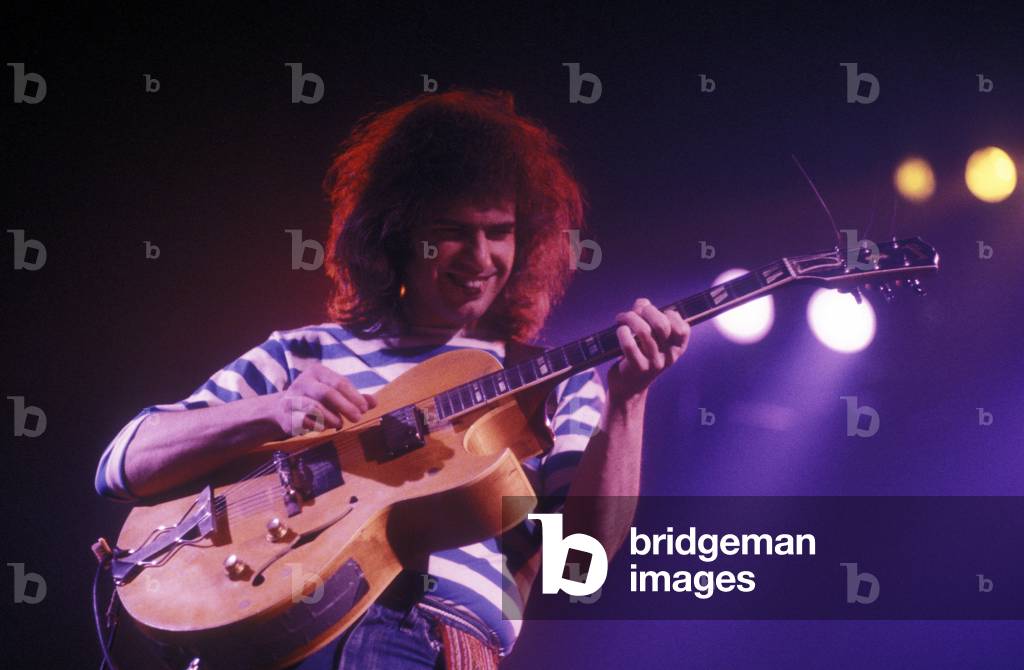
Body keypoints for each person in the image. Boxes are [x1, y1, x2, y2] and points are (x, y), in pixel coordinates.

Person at [95, 89, 690, 669]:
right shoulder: (304, 352)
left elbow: (581, 567)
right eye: (452, 229)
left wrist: (629, 399)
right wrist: (269, 411)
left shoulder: (553, 380)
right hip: (271, 639)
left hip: (432, 638)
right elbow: (121, 465)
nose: (480, 257)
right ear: (397, 232)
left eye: (500, 231)